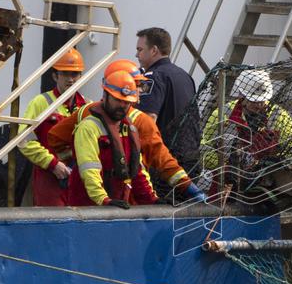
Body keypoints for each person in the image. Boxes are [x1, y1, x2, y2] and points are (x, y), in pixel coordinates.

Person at [48, 60, 207, 203]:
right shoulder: (140, 121)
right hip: (114, 199)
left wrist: (74, 161)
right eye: (137, 85)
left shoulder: (87, 110)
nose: (138, 90)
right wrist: (187, 186)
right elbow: (161, 159)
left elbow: (54, 138)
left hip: (106, 197)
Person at [200, 69, 292, 204]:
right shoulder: (223, 114)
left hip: (263, 192)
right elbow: (204, 148)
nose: (259, 105)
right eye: (254, 100)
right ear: (242, 96)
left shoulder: (279, 116)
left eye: (262, 100)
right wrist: (225, 168)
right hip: (224, 189)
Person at [66, 70, 158, 208]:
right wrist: (104, 200)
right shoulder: (88, 128)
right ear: (105, 96)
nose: (122, 106)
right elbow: (89, 171)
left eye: (126, 102)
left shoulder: (129, 129)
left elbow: (137, 171)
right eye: (117, 100)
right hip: (88, 209)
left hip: (117, 206)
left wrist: (152, 200)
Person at [17, 47, 88, 206]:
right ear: (55, 76)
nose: (71, 79)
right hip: (49, 178)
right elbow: (23, 140)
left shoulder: (87, 106)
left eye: (75, 74)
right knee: (51, 220)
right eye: (65, 74)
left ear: (81, 76)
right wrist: (53, 164)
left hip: (79, 180)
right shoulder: (40, 103)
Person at [135, 27, 202, 184]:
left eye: (140, 49)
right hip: (190, 157)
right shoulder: (185, 76)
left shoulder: (152, 77)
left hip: (165, 161)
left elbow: (148, 119)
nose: (136, 55)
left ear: (154, 50)